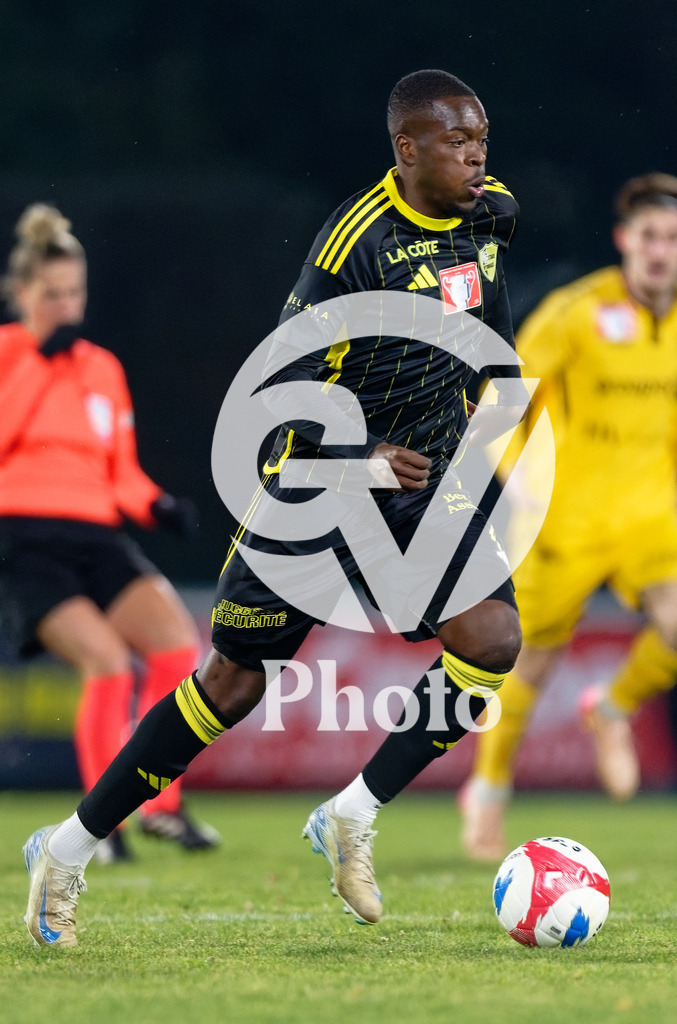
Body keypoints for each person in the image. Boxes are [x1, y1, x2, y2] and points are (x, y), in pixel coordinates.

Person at [22, 68, 524, 947]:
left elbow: (487, 317)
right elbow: (274, 395)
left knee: (492, 640)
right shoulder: (353, 247)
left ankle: (352, 813)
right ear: (407, 150)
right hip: (320, 488)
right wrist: (362, 458)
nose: (477, 155)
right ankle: (64, 849)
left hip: (419, 487)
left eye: (482, 137)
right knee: (232, 683)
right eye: (457, 141)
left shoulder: (492, 213)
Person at [459, 172, 677, 861]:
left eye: (672, 238)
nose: (659, 251)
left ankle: (612, 707)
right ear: (624, 240)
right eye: (647, 236)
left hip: (650, 517)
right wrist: (522, 477)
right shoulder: (575, 312)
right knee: (528, 668)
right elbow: (500, 403)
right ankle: (488, 792)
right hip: (561, 520)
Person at [0, 204, 218, 865]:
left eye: (74, 292)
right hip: (25, 538)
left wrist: (156, 506)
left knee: (177, 647)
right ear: (21, 293)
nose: (66, 306)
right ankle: (103, 827)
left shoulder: (101, 367)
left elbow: (119, 472)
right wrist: (39, 363)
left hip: (97, 536)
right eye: (52, 294)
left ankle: (161, 807)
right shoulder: (10, 353)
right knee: (107, 664)